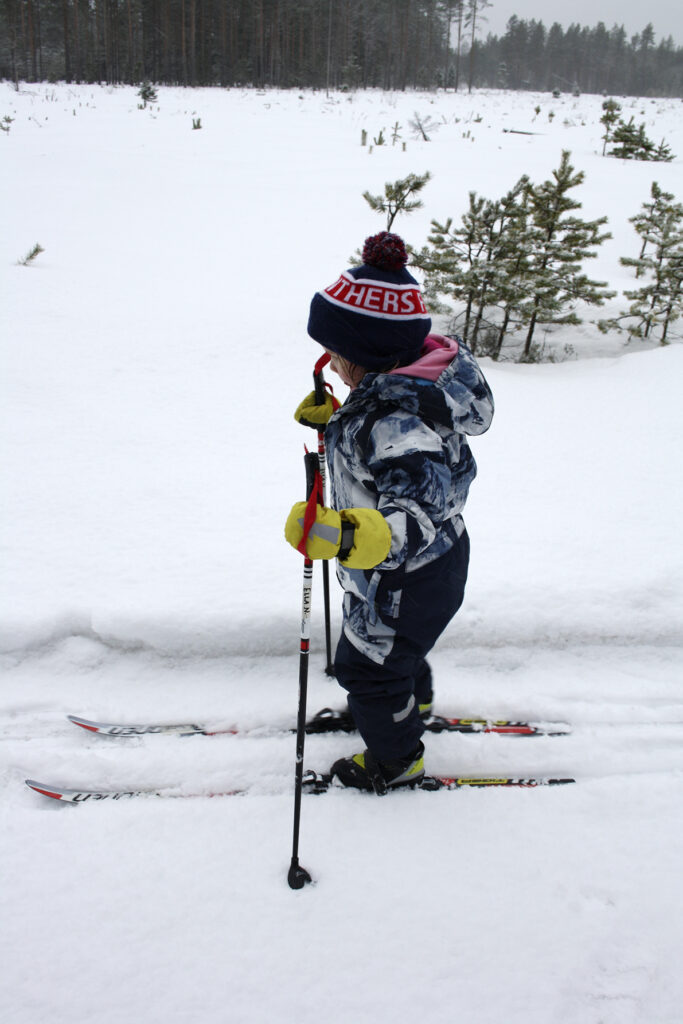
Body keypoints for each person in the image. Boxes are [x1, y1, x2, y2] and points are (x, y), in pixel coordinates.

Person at [285, 231, 494, 793]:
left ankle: (397, 758)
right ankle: (408, 701)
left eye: (338, 356)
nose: (330, 364)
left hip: (410, 571)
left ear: (370, 356)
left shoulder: (395, 422)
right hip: (426, 568)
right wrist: (339, 423)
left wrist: (334, 534)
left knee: (364, 668)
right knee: (395, 651)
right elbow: (387, 463)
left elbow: (412, 514)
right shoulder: (396, 391)